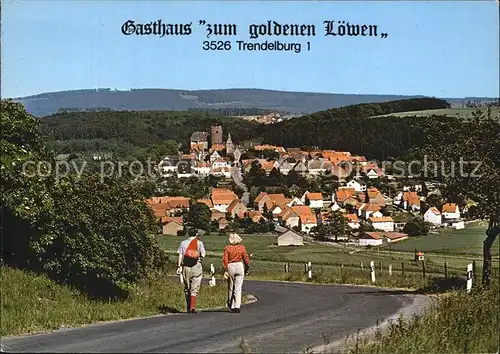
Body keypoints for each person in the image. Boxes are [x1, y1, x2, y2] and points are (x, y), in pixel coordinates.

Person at [177, 228, 206, 313]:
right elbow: (203, 255)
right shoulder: (199, 243)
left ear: (188, 234)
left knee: (187, 288)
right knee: (194, 288)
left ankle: (188, 306)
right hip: (196, 266)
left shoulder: (183, 243)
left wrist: (179, 266)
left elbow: (180, 255)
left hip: (186, 267)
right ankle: (192, 307)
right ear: (196, 234)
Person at [223, 232, 250, 313]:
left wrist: (225, 269)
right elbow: (246, 259)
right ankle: (237, 306)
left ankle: (231, 304)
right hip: (239, 265)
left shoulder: (227, 248)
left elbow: (225, 260)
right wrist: (247, 268)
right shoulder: (242, 248)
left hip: (231, 265)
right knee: (238, 288)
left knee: (231, 287)